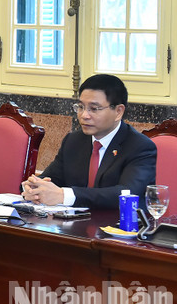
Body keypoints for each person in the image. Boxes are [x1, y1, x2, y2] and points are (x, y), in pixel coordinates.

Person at [22, 74, 156, 209]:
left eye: (94, 109)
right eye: (80, 107)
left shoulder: (140, 147)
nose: (84, 115)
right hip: (73, 225)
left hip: (117, 226)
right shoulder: (73, 141)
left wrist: (65, 195)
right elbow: (51, 178)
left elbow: (127, 193)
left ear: (118, 111)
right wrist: (34, 187)